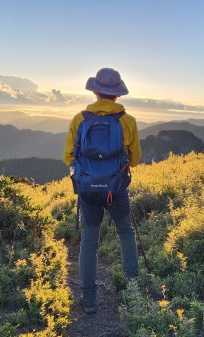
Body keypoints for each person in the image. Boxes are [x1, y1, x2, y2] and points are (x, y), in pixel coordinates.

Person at [63, 67, 142, 314]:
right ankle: (132, 290)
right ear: (117, 95)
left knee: (89, 238)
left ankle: (89, 299)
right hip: (116, 189)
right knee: (126, 232)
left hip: (87, 189)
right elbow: (136, 159)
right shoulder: (127, 121)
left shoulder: (80, 119)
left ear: (95, 91)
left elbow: (68, 156)